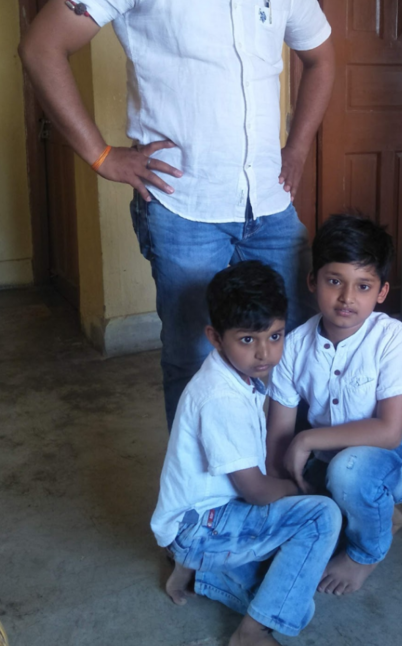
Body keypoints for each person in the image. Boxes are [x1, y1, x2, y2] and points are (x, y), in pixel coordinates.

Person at [18, 0, 335, 428]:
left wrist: (297, 148)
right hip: (184, 209)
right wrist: (102, 155)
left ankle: (277, 473)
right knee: (195, 355)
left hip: (271, 207)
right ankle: (203, 488)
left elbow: (321, 61)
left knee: (292, 351)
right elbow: (42, 45)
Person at [152, 260, 342, 645]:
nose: (264, 353)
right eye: (247, 340)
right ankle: (250, 633)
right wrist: (299, 490)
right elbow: (255, 490)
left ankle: (198, 573)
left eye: (275, 336)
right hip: (202, 526)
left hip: (203, 520)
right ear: (215, 337)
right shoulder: (220, 397)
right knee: (322, 517)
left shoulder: (234, 376)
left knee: (293, 594)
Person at [266, 213, 402, 596]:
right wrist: (281, 492)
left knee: (349, 473)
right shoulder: (294, 346)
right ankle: (383, 514)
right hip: (330, 459)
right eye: (334, 281)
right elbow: (278, 439)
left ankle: (365, 553)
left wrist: (306, 440)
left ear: (382, 292)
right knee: (298, 512)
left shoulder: (390, 337)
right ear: (313, 281)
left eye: (363, 286)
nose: (347, 298)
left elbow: (390, 432)